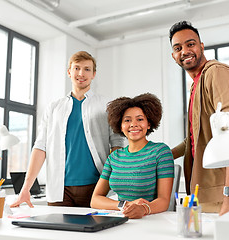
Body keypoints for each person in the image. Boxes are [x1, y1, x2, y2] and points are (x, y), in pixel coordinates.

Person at [10, 51, 126, 208]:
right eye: (76, 68)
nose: (81, 73)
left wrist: (113, 178)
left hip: (96, 188)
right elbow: (40, 146)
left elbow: (117, 143)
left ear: (94, 74)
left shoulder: (106, 105)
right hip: (59, 190)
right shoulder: (53, 108)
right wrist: (26, 188)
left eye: (87, 69)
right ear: (69, 72)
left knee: (97, 232)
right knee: (58, 233)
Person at [169, 21, 229, 218]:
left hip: (221, 189)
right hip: (203, 187)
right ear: (173, 56)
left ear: (201, 46)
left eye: (190, 44)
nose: (184, 51)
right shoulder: (195, 85)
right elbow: (194, 139)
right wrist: (159, 155)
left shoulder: (216, 73)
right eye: (178, 48)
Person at [90, 93, 174, 219]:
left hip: (150, 219)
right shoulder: (114, 158)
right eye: (127, 120)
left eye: (140, 119)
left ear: (149, 124)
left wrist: (143, 209)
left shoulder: (160, 152)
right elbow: (95, 200)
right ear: (120, 125)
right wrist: (126, 205)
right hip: (121, 218)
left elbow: (164, 200)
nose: (133, 124)